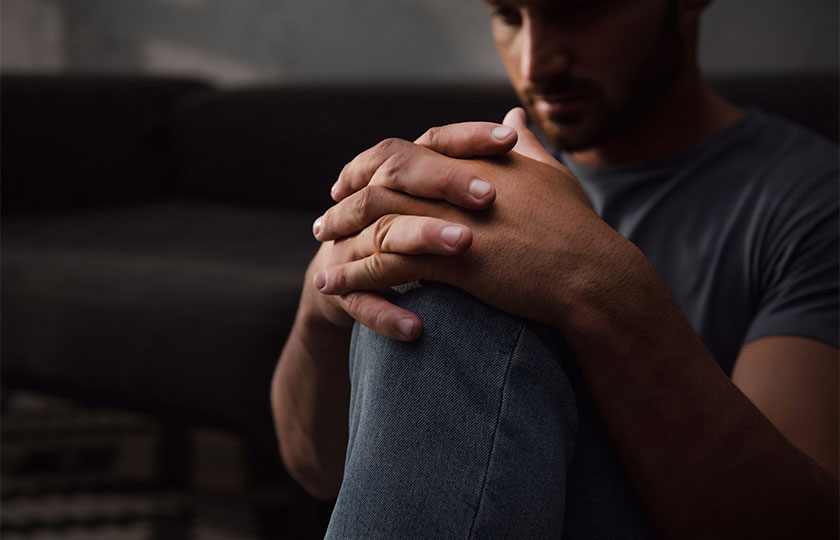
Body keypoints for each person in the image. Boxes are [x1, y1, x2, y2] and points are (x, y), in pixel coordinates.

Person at [271, 0, 839, 537]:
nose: (535, 61)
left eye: (578, 10)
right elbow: (312, 467)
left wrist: (591, 282)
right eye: (507, 15)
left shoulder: (815, 202)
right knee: (440, 261)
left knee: (461, 278)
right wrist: (323, 297)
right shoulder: (481, 184)